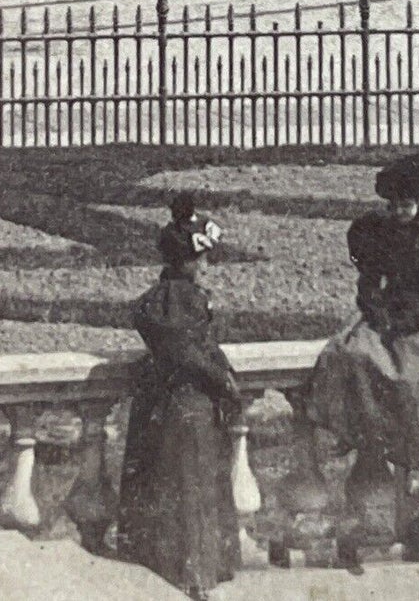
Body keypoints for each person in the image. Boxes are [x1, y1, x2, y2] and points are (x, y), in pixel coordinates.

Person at [306, 149, 419, 567]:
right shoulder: (376, 231)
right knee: (350, 355)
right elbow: (367, 282)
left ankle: (411, 455)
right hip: (386, 316)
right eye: (394, 205)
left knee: (406, 376)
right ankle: (357, 432)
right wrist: (376, 310)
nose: (400, 212)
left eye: (407, 204)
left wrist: (405, 322)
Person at [116, 196, 241, 601]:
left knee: (176, 484)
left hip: (171, 400)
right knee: (191, 486)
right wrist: (221, 380)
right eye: (198, 260)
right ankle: (195, 576)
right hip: (187, 402)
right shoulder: (177, 298)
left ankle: (186, 569)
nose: (204, 267)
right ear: (181, 261)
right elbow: (185, 352)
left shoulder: (168, 295)